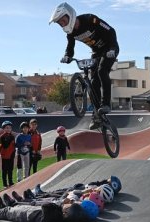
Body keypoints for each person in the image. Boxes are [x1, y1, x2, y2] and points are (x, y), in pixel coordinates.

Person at [50, 2, 119, 130]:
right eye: (60, 24)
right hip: (96, 52)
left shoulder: (90, 19)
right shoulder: (70, 33)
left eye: (63, 21)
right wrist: (67, 56)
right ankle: (97, 115)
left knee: (102, 71)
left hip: (109, 48)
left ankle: (106, 104)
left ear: (70, 15)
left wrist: (113, 48)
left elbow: (111, 31)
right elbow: (70, 47)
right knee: (93, 83)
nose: (63, 25)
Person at [0, 121, 15, 188]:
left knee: (10, 169)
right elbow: (5, 146)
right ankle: (5, 183)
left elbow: (13, 145)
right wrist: (9, 139)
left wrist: (13, 153)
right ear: (4, 129)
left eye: (9, 128)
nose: (8, 129)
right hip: (5, 156)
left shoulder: (12, 136)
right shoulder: (2, 137)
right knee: (5, 169)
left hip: (11, 155)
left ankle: (10, 181)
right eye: (6, 128)